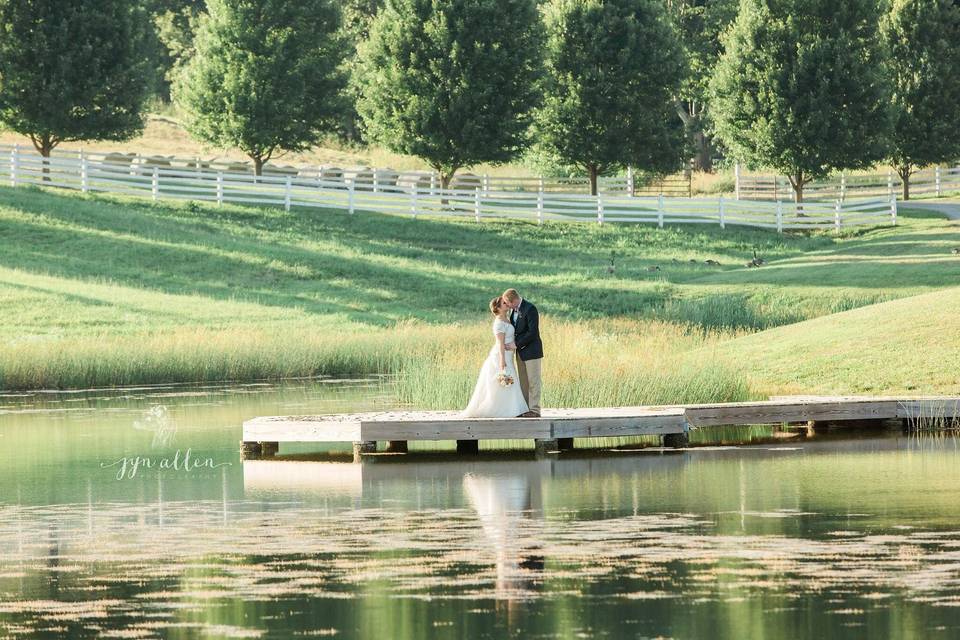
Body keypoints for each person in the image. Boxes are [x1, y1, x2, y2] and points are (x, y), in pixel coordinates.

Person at [461, 296, 530, 418]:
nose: (507, 304)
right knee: (502, 380)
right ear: (498, 307)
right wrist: (502, 360)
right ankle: (502, 409)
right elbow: (500, 343)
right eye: (504, 303)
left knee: (508, 380)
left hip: (508, 354)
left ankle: (512, 409)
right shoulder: (498, 323)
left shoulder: (507, 319)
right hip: (500, 355)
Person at [501, 289, 542, 418]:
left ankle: (534, 410)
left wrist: (516, 344)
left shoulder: (530, 309)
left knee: (533, 381)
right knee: (523, 382)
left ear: (514, 300)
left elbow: (532, 332)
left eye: (507, 303)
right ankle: (525, 409)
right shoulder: (513, 310)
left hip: (532, 351)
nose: (507, 306)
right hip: (520, 353)